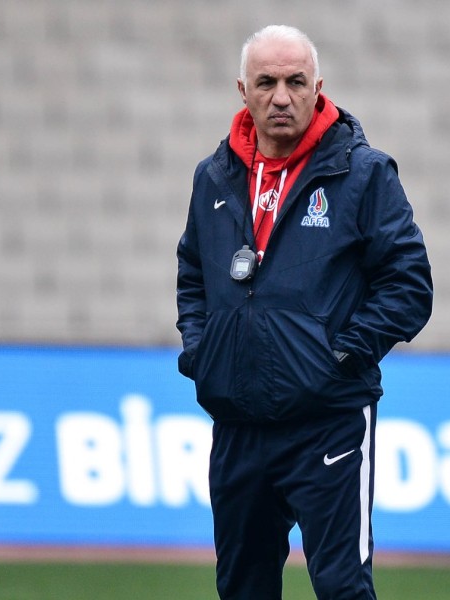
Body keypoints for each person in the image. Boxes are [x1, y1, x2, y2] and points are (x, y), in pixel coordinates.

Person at [175, 24, 433, 600]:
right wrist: (202, 351)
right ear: (242, 90)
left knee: (342, 588)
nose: (281, 97)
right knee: (242, 589)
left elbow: (410, 285)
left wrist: (340, 356)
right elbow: (193, 273)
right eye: (266, 82)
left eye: (296, 82)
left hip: (328, 421)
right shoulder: (213, 177)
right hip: (239, 424)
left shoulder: (362, 173)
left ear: (319, 88)